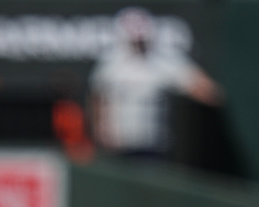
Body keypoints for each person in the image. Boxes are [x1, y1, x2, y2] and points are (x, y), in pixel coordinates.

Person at [88, 7, 222, 161]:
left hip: (152, 147)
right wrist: (100, 131)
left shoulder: (161, 62)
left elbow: (199, 85)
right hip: (118, 146)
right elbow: (97, 97)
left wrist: (222, 96)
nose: (139, 43)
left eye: (142, 38)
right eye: (134, 39)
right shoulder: (110, 63)